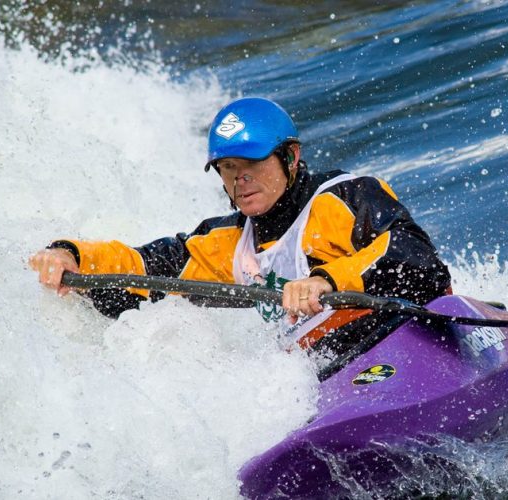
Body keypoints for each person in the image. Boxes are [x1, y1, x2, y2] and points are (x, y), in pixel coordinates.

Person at [29, 97, 451, 340]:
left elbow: (416, 256)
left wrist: (327, 281)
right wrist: (69, 254)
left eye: (251, 162)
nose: (240, 179)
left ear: (291, 157)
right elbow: (141, 268)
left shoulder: (346, 196)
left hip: (409, 334)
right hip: (335, 373)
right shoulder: (226, 242)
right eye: (228, 168)